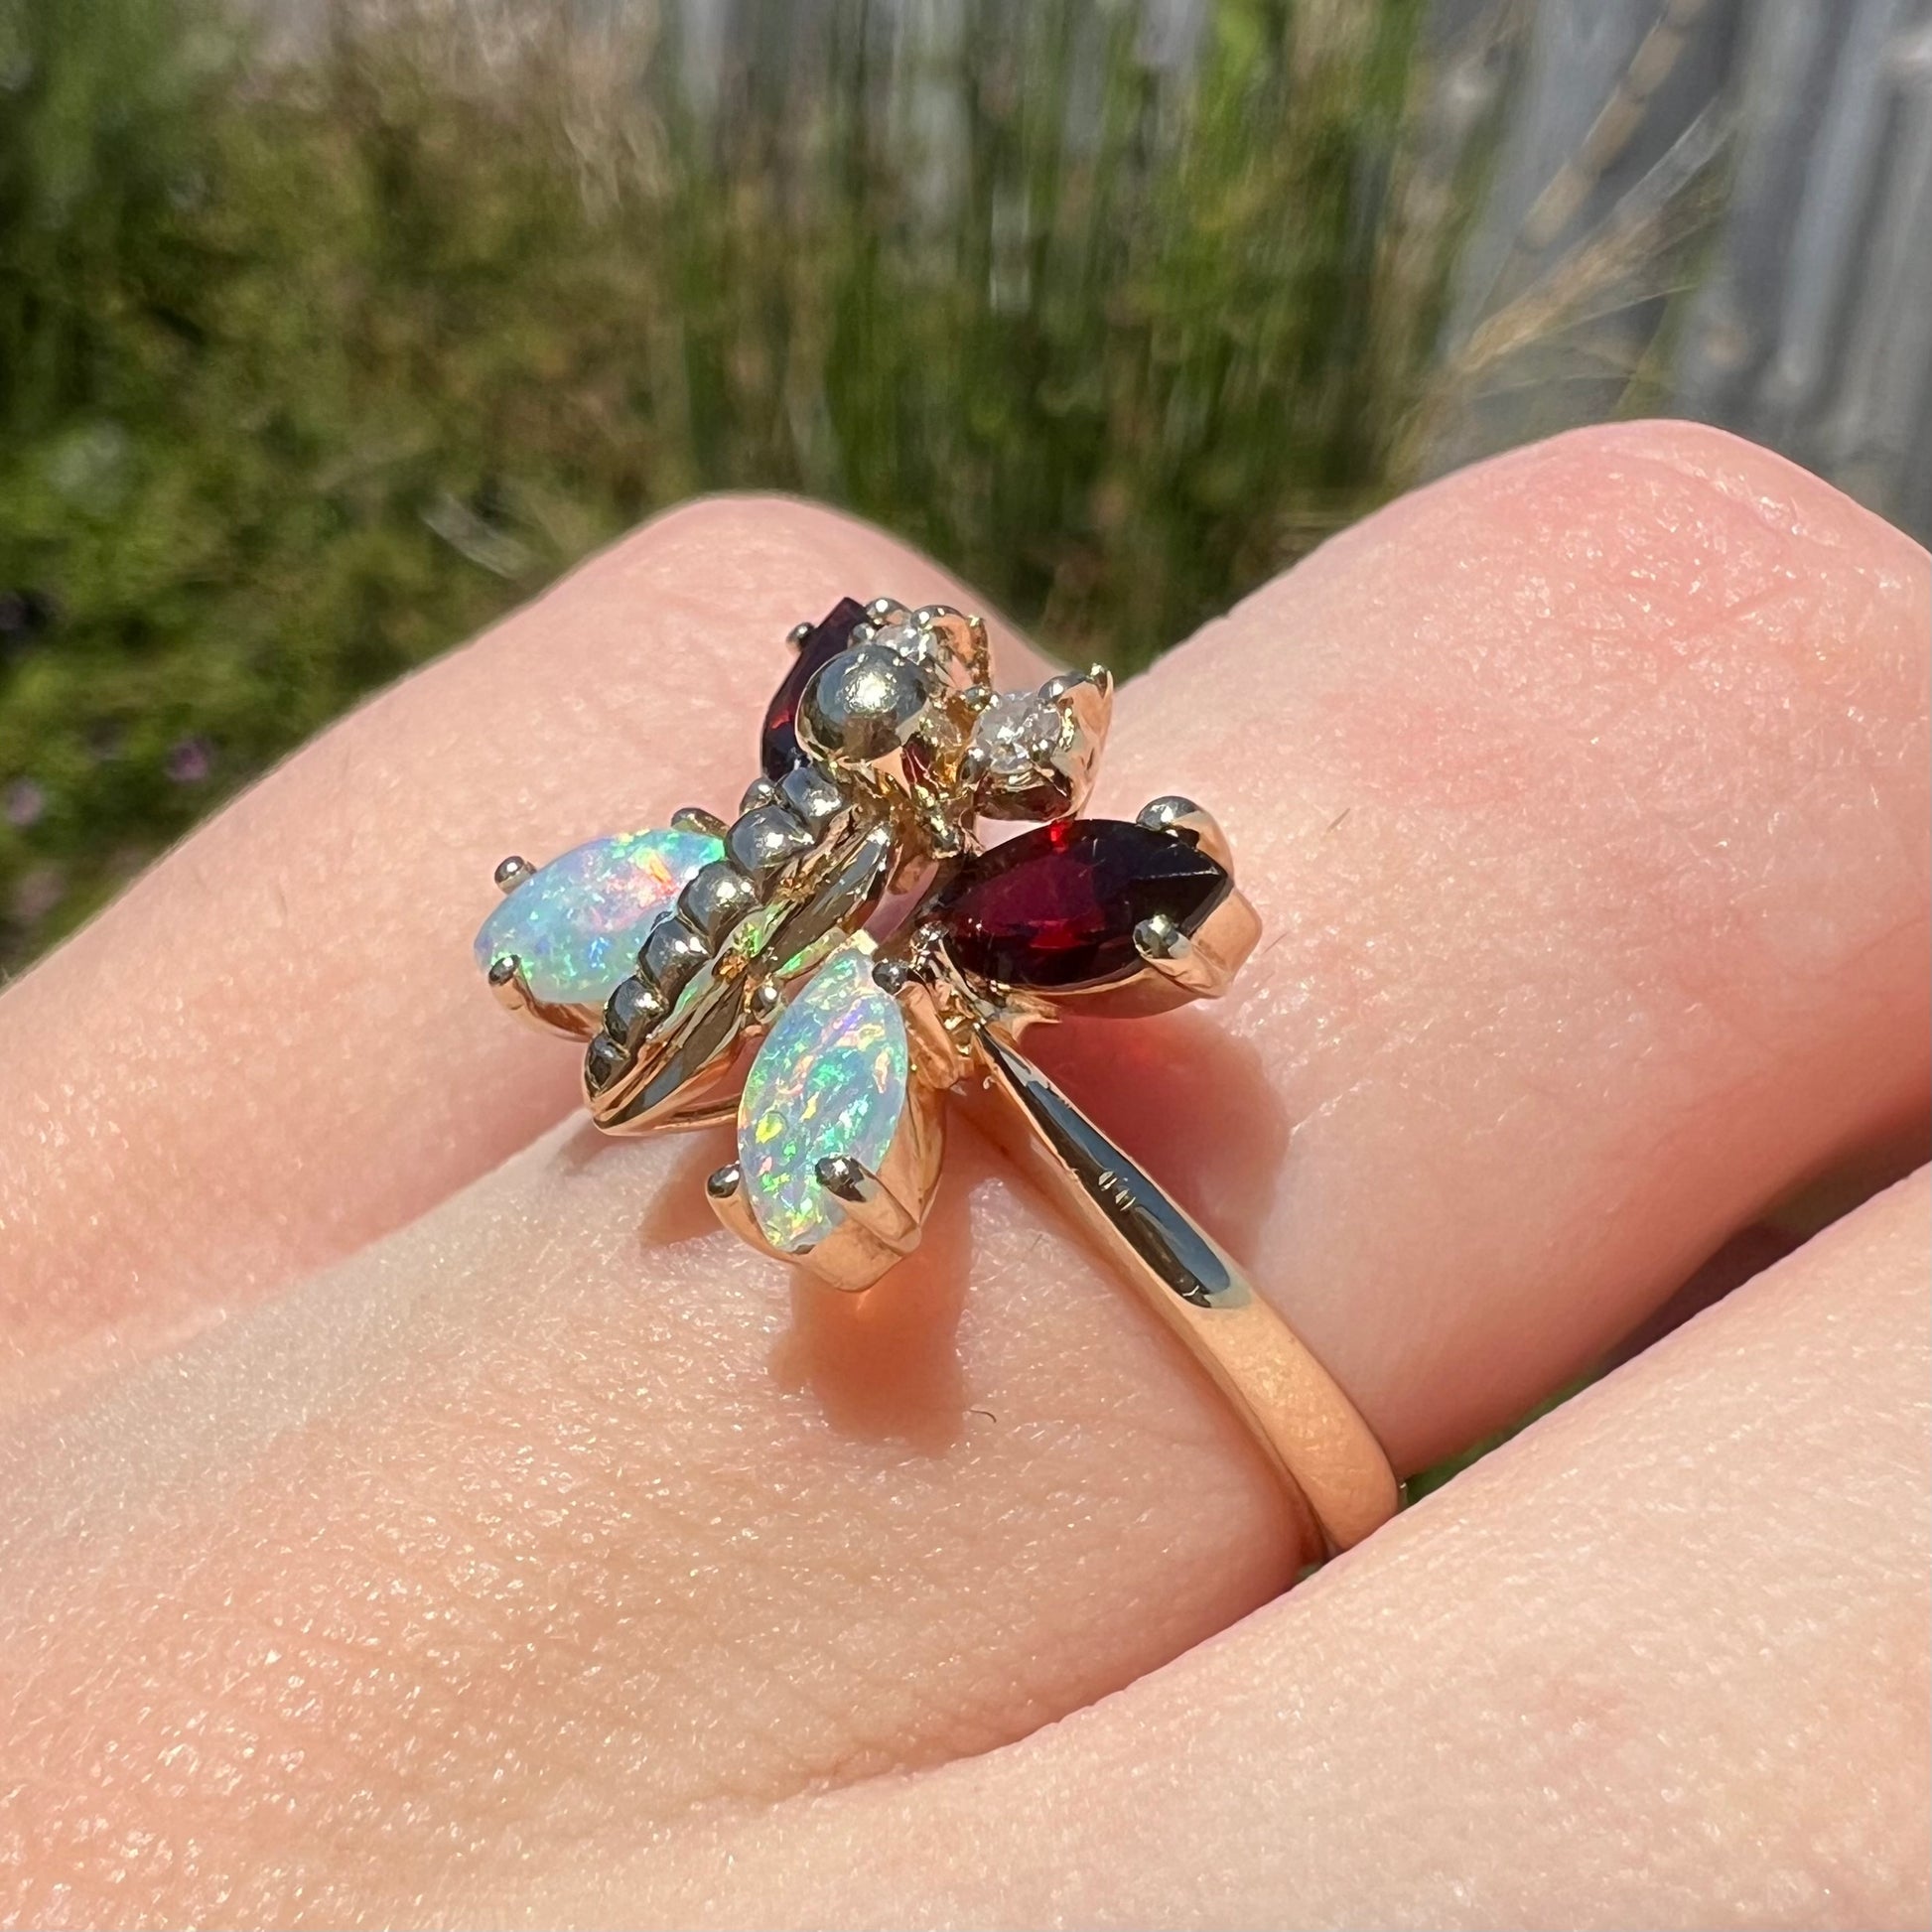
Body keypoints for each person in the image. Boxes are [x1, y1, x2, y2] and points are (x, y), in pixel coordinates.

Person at [0, 420, 1924, 1930]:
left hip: (715, 944)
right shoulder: (918, 839)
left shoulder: (866, 813)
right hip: (759, 969)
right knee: (830, 1143)